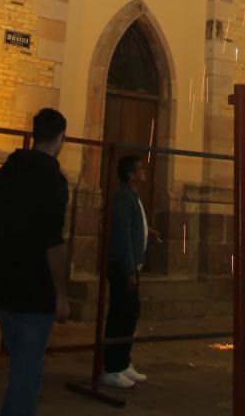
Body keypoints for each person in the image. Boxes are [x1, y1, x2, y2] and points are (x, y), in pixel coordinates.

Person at [0, 108, 71, 416]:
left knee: (26, 367)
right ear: (61, 137)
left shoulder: (5, 174)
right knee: (26, 373)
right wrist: (61, 295)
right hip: (34, 294)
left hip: (1, 287)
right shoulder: (52, 180)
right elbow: (53, 243)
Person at [102, 155, 152, 389]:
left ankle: (123, 362)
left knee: (130, 315)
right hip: (123, 267)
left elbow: (133, 226)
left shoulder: (132, 195)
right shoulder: (122, 197)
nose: (144, 172)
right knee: (120, 317)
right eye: (140, 169)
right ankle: (112, 368)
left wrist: (147, 231)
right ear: (130, 174)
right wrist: (129, 271)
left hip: (131, 265)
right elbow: (122, 236)